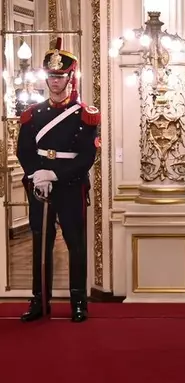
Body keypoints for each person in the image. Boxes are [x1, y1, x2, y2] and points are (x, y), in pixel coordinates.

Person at [16, 38, 100, 323]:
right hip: (39, 185)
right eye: (51, 76)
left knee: (75, 243)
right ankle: (39, 300)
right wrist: (35, 175)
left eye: (60, 76)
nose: (55, 81)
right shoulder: (33, 114)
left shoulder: (85, 115)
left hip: (70, 185)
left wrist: (55, 174)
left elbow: (87, 156)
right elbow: (24, 150)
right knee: (41, 243)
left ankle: (78, 302)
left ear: (70, 77)